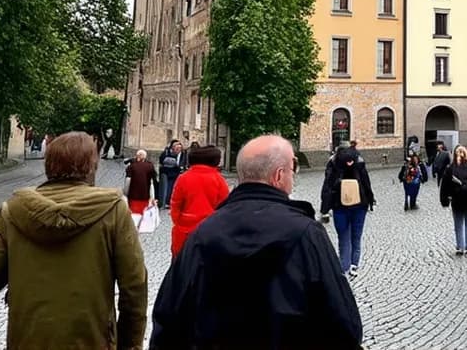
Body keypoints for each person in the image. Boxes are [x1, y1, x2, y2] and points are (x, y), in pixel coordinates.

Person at [151, 135, 362, 349]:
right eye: (292, 169)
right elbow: (344, 325)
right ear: (279, 175)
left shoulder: (202, 234)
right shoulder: (307, 234)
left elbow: (168, 320)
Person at [0, 132, 147, 349]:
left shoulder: (14, 213)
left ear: (48, 164)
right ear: (92, 167)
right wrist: (129, 344)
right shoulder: (114, 211)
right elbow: (135, 287)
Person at [319, 146, 374, 277]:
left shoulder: (335, 165)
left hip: (345, 208)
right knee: (353, 237)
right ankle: (350, 265)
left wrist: (325, 209)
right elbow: (366, 184)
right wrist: (370, 200)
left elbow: (327, 187)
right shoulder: (358, 162)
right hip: (354, 207)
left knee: (347, 237)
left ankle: (345, 267)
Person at [168, 145, 229, 257]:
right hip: (210, 232)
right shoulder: (219, 180)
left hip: (184, 231)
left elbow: (175, 204)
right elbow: (225, 208)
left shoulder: (184, 178)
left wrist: (179, 221)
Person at [440, 146, 467, 256]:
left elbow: (444, 186)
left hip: (458, 200)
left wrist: (445, 199)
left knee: (459, 224)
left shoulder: (451, 169)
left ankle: (460, 246)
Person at [125, 148, 158, 218]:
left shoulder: (132, 166)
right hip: (145, 197)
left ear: (137, 157)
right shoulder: (150, 166)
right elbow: (153, 182)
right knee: (143, 216)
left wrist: (126, 193)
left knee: (133, 216)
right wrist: (153, 197)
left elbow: (128, 181)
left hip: (133, 196)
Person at [158, 140, 186, 209]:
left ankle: (170, 203)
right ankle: (165, 203)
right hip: (167, 173)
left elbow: (183, 162)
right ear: (173, 147)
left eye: (179, 148)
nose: (178, 149)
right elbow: (162, 160)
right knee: (166, 189)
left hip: (176, 173)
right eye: (176, 148)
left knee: (173, 188)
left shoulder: (183, 154)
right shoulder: (167, 152)